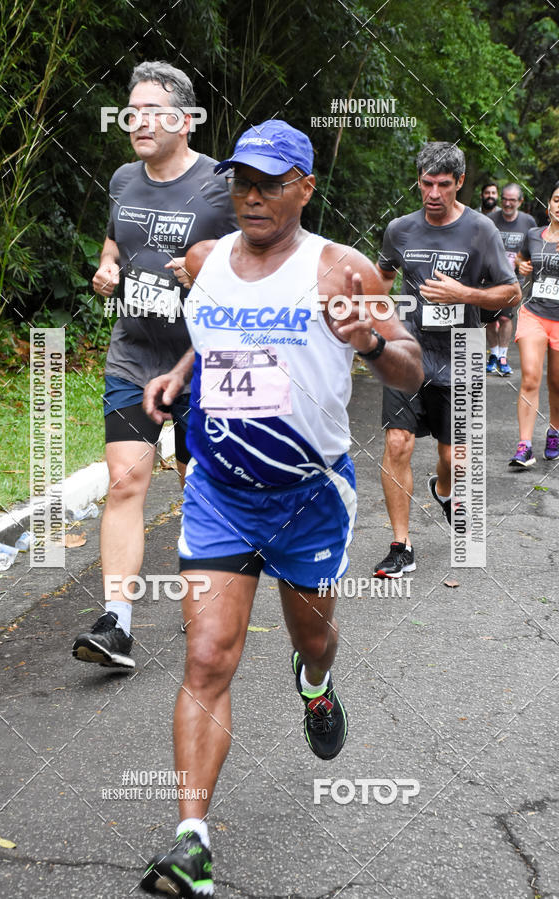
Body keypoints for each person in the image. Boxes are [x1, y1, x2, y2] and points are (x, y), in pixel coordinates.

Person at [138, 119, 424, 897]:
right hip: (221, 492)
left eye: (269, 181)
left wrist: (367, 340)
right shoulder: (204, 262)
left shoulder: (342, 266)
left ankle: (314, 682)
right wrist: (179, 374)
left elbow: (411, 366)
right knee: (207, 655)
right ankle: (190, 839)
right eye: (240, 181)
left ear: (305, 185)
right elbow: (216, 335)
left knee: (316, 636)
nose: (252, 195)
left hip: (309, 498)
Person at [71, 61, 236, 670]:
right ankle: (117, 623)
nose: (137, 121)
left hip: (204, 361)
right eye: (131, 111)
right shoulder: (122, 178)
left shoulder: (221, 182)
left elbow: (265, 252)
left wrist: (208, 269)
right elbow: (113, 244)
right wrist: (106, 270)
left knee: (204, 488)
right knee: (125, 481)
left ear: (185, 119)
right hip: (134, 354)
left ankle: (210, 607)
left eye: (151, 110)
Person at [373, 142, 521, 579]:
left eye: (442, 184)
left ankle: (444, 490)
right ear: (418, 181)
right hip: (408, 350)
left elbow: (510, 292)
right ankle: (401, 545)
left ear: (459, 183)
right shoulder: (400, 230)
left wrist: (466, 294)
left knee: (454, 459)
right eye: (425, 183)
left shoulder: (480, 231)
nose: (433, 193)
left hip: (464, 353)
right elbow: (379, 280)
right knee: (397, 443)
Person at [509, 181, 559, 467]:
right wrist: (522, 266)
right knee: (530, 376)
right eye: (556, 200)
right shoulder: (532, 235)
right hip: (534, 313)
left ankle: (554, 431)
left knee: (556, 382)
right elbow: (521, 260)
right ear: (548, 206)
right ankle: (524, 445)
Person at [482, 183, 536, 376]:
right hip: (489, 279)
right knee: (489, 320)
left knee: (505, 317)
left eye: (512, 200)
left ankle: (503, 357)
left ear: (520, 202)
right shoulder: (489, 220)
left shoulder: (528, 222)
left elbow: (534, 248)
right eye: (504, 199)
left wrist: (524, 263)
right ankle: (494, 354)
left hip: (513, 280)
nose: (507, 203)